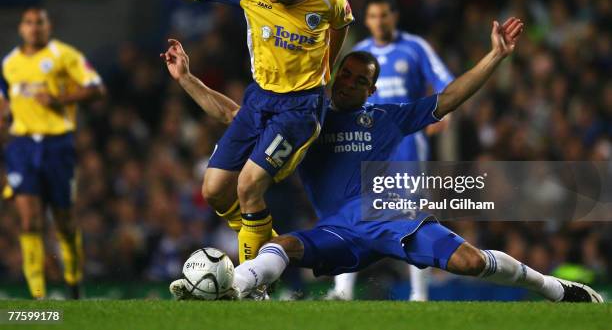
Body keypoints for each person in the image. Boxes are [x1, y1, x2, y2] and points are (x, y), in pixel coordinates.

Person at [165, 17, 601, 303]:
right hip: (339, 230)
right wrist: (187, 79)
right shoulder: (306, 118)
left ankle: (553, 288)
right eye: (345, 75)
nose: (348, 83)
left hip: (393, 217)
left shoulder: (387, 117)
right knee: (284, 244)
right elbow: (235, 116)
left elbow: (446, 99)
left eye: (359, 80)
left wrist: (495, 56)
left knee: (470, 262)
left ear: (371, 91)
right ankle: (233, 289)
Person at [138, 0, 353, 263]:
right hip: (259, 99)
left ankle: (252, 286)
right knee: (213, 190)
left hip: (301, 107)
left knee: (248, 185)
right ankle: (269, 247)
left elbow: (342, 21)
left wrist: (328, 70)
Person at [328, 0, 454, 301]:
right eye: (373, 16)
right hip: (365, 141)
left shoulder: (415, 47)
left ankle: (419, 294)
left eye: (384, 15)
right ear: (367, 20)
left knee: (412, 212)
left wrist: (444, 111)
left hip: (406, 141)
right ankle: (342, 291)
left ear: (394, 17)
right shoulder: (359, 52)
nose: (379, 21)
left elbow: (445, 81)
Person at [0, 8, 105, 299]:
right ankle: (37, 293)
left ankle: (73, 281)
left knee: (64, 220)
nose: (34, 28)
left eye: (40, 23)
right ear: (21, 28)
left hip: (57, 145)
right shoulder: (9, 63)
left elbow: (96, 88)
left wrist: (60, 99)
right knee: (29, 220)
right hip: (21, 146)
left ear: (49, 26)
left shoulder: (65, 55)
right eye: (29, 23)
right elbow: (5, 101)